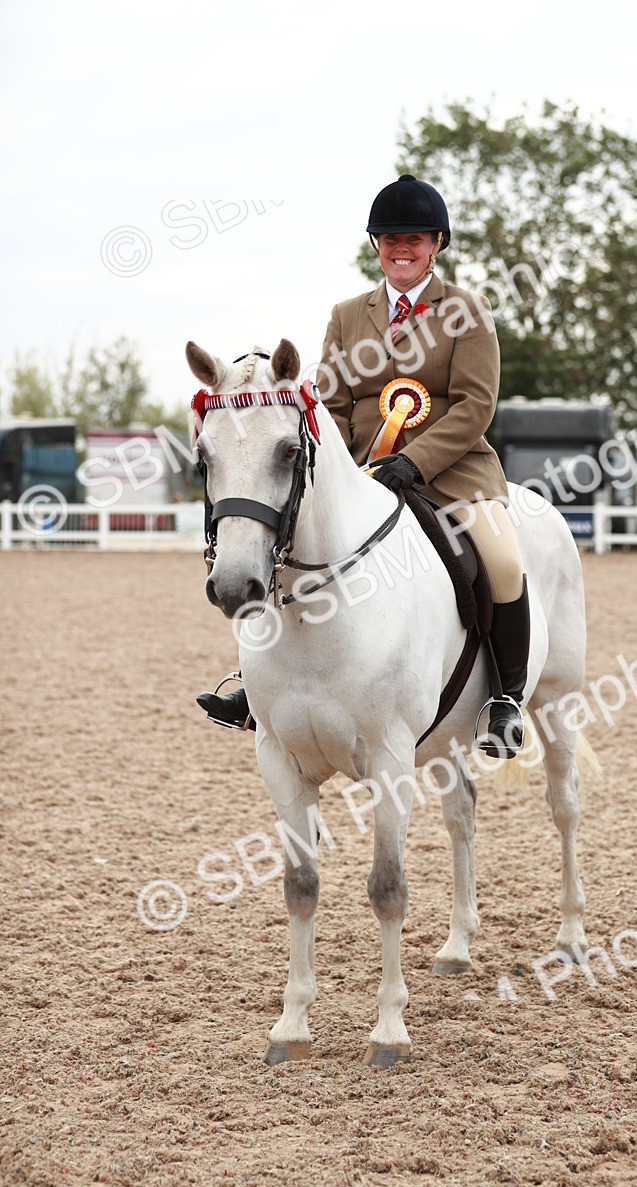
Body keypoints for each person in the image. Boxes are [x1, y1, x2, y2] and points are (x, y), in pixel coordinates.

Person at [198, 174, 530, 757]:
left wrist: (414, 461)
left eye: (415, 239)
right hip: (362, 473)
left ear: (437, 244)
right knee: (288, 548)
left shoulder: (467, 311)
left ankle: (505, 700)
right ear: (377, 245)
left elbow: (476, 405)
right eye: (390, 238)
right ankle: (257, 685)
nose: (402, 249)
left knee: (502, 562)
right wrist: (353, 467)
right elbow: (331, 404)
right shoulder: (349, 315)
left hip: (454, 474)